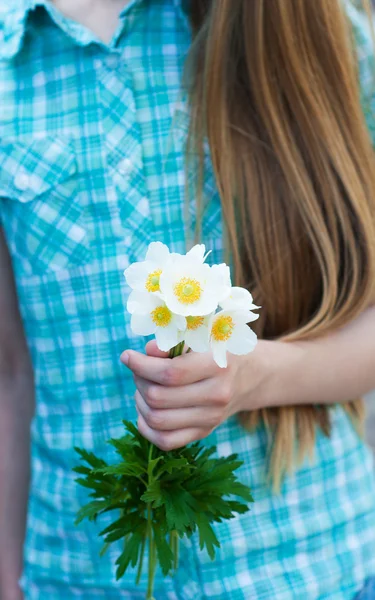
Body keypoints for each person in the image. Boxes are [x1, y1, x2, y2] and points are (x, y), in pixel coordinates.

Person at [0, 0, 375, 598]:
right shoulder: (9, 60)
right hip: (79, 578)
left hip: (311, 568)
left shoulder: (297, 21)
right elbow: (12, 378)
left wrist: (256, 375)